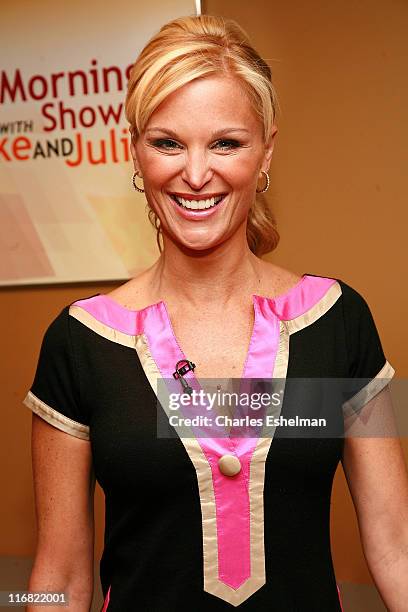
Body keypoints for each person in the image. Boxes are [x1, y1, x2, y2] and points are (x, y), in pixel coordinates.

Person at [23, 14, 408, 612]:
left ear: (266, 150)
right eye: (168, 142)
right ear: (136, 152)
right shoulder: (79, 340)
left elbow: (397, 546)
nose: (196, 174)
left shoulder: (340, 320)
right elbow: (61, 575)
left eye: (226, 142)